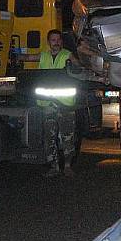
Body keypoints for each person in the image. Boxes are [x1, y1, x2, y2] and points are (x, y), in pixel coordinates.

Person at [20, 30, 81, 177]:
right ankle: (54, 167)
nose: (56, 42)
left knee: (68, 136)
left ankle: (67, 166)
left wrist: (76, 65)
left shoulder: (68, 55)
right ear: (49, 42)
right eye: (53, 40)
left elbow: (78, 66)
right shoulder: (43, 56)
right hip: (47, 105)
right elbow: (27, 57)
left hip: (65, 104)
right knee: (49, 137)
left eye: (58, 40)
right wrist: (13, 54)